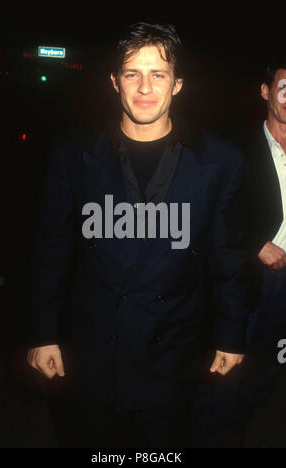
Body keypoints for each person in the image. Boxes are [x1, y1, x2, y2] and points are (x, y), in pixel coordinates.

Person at [27, 22, 251, 448]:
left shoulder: (220, 161)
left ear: (178, 84)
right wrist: (43, 332)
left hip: (174, 353)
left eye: (158, 74)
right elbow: (50, 251)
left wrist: (231, 335)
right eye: (132, 73)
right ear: (115, 82)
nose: (145, 87)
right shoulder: (73, 156)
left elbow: (226, 258)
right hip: (90, 352)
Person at [193, 54, 286, 448]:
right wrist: (254, 244)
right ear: (266, 92)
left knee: (267, 371)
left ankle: (238, 427)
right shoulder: (235, 149)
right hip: (253, 283)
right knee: (229, 369)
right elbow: (210, 210)